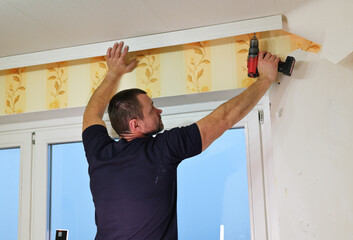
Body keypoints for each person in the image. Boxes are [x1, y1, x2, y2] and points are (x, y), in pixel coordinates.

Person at [82, 41, 279, 240]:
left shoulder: (98, 154)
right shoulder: (162, 148)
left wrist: (113, 73)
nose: (159, 111)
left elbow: (91, 113)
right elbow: (223, 118)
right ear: (135, 125)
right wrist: (265, 79)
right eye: (152, 108)